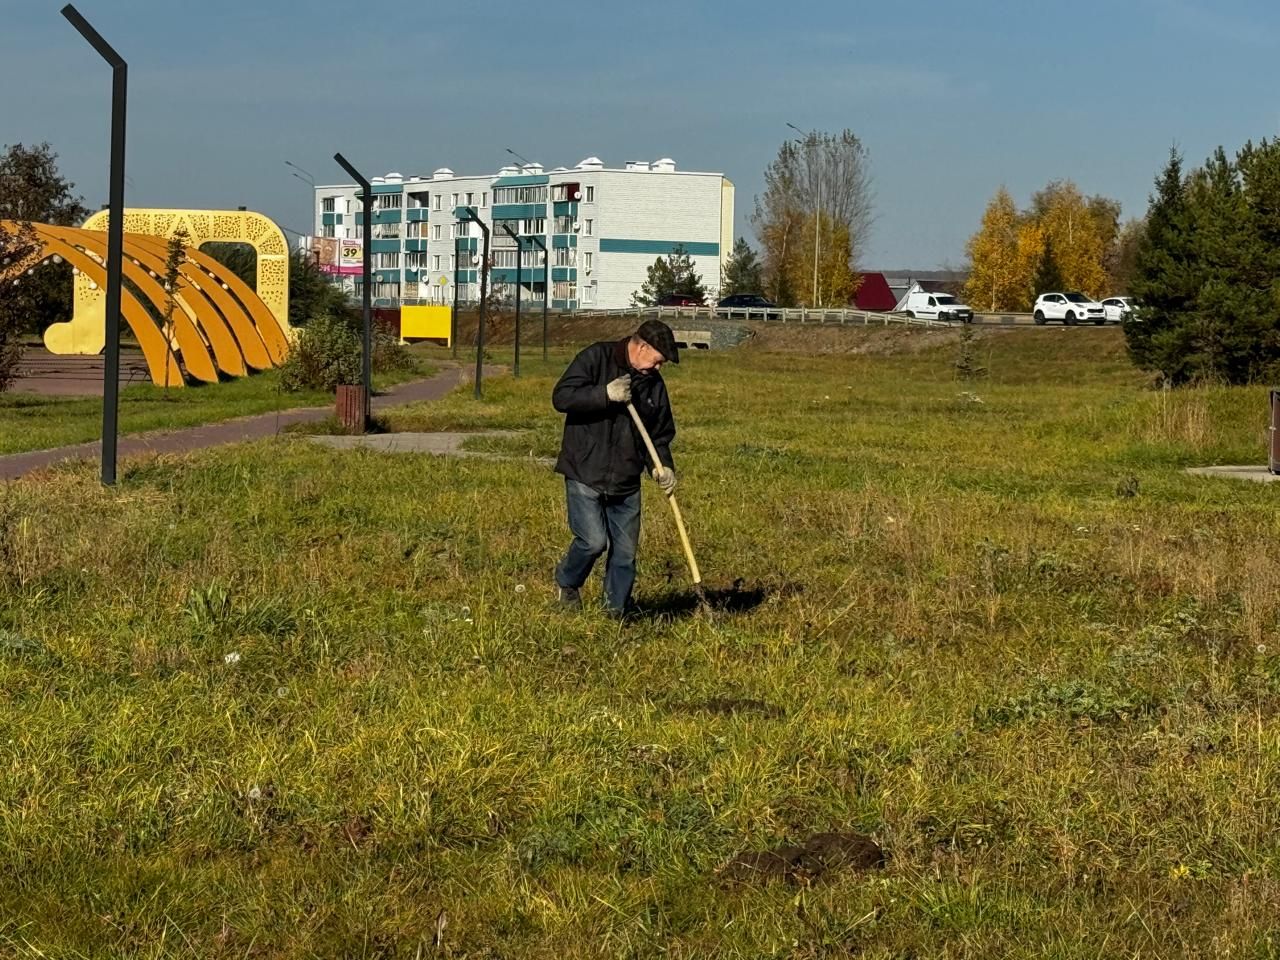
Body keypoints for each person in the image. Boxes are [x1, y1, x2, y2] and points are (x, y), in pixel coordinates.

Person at [551, 319, 680, 616]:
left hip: (626, 478)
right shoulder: (596, 358)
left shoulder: (653, 385)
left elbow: (658, 435)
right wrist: (603, 395)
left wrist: (662, 467)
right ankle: (568, 583)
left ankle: (614, 612)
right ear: (643, 346)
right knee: (593, 541)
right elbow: (562, 397)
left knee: (624, 554)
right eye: (658, 360)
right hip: (585, 469)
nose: (659, 368)